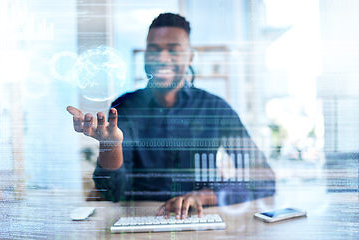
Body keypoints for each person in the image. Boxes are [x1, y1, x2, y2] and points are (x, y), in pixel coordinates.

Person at [67, 13, 275, 220]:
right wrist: (111, 146)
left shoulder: (214, 107)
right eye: (154, 50)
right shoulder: (125, 108)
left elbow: (264, 179)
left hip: (202, 218)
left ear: (190, 57)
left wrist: (203, 196)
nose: (162, 58)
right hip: (140, 219)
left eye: (173, 50)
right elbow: (112, 193)